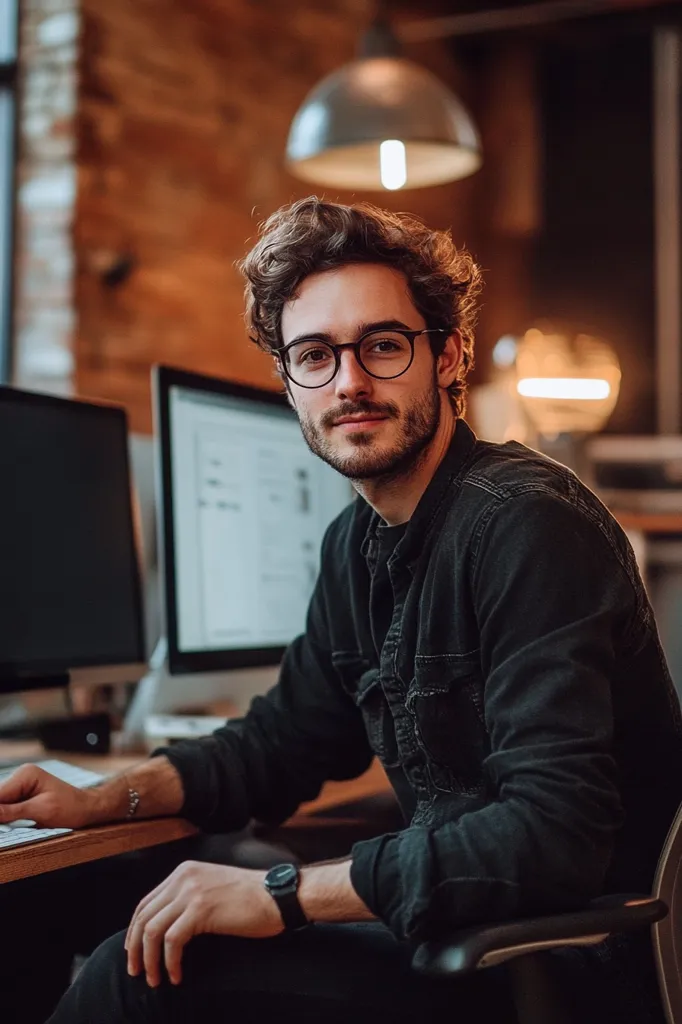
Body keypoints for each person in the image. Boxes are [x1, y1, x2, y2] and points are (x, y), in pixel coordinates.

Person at [2, 197, 681, 1024]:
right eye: (315, 356)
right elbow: (280, 743)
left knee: (139, 976)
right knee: (102, 896)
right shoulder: (356, 544)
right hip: (464, 931)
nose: (350, 382)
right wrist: (100, 798)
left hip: (555, 963)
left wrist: (282, 894)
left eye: (383, 346)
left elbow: (552, 834)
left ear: (447, 355)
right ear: (290, 383)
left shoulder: (525, 524)